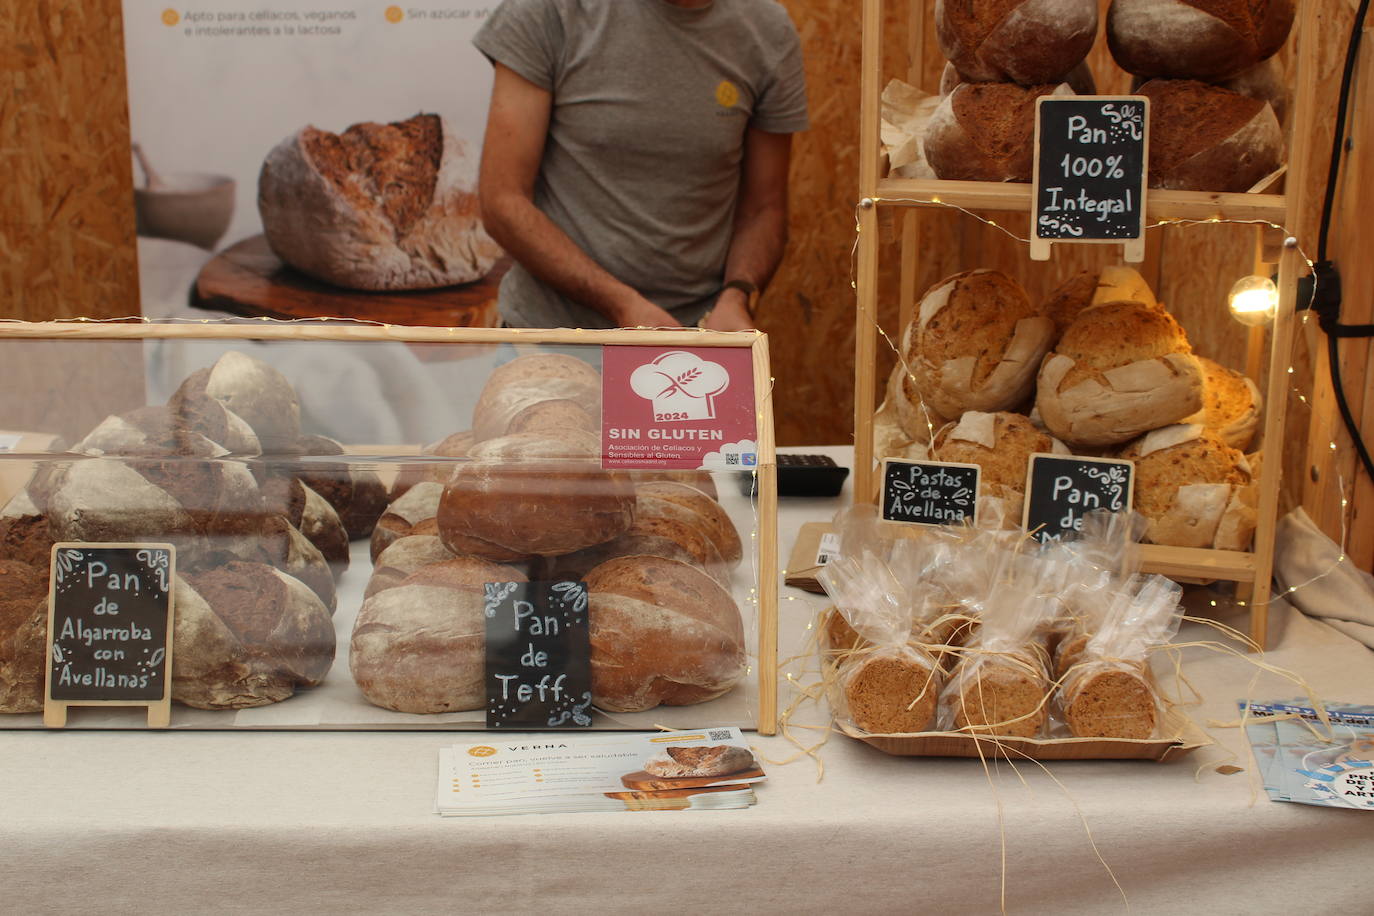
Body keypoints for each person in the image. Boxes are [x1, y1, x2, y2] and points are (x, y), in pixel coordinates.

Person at [473, 0, 809, 331]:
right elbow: (503, 200)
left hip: (697, 337)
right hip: (553, 336)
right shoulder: (549, 11)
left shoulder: (767, 30)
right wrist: (623, 305)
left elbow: (763, 210)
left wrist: (738, 295)